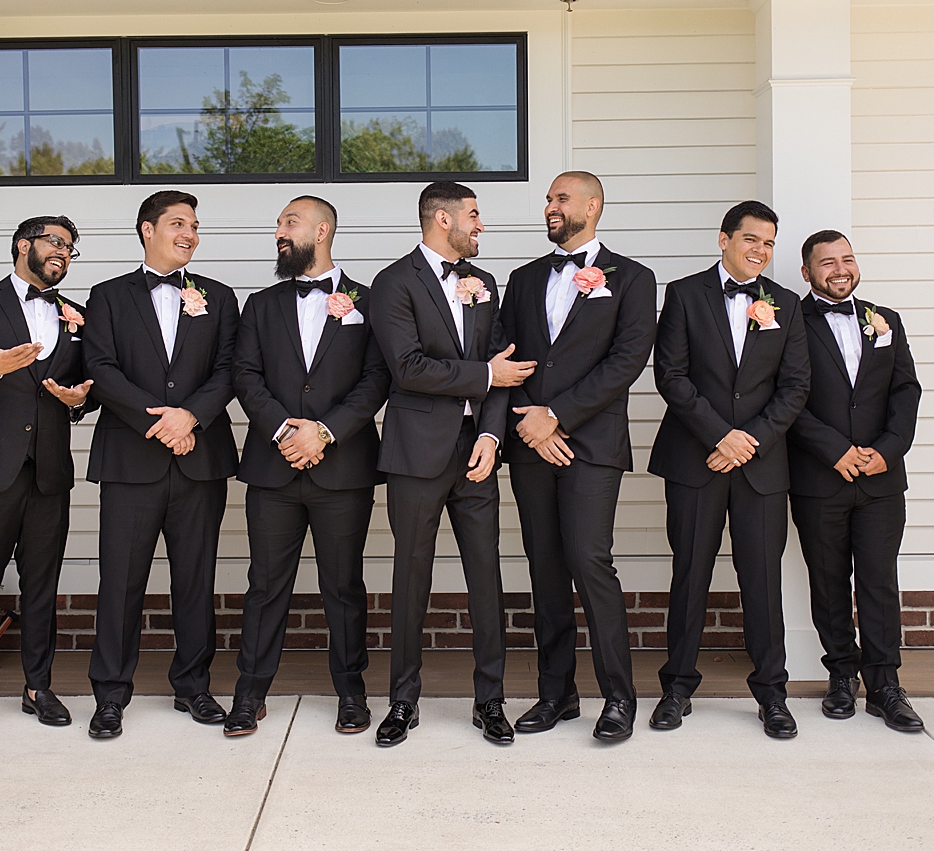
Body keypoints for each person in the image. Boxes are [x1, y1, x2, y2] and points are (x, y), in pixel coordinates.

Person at [368, 181, 535, 747]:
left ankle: (490, 699)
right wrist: (487, 377)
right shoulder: (392, 283)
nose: (481, 225)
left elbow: (503, 361)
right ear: (443, 218)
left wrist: (491, 433)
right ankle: (402, 701)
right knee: (410, 577)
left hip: (477, 453)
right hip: (416, 454)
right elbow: (409, 368)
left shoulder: (483, 283)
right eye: (474, 215)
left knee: (485, 576)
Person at [497, 171, 656, 742]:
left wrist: (556, 416)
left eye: (560, 198)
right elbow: (504, 357)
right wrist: (531, 422)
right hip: (531, 441)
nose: (550, 207)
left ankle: (619, 697)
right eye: (547, 199)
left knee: (590, 561)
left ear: (592, 205)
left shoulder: (634, 278)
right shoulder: (521, 279)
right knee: (544, 566)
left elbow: (627, 359)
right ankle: (556, 693)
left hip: (590, 442)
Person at [227, 196, 390, 737]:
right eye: (278, 223)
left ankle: (351, 692)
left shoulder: (370, 300)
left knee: (342, 585)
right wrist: (285, 431)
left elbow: (376, 381)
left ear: (322, 231)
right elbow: (245, 376)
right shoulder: (260, 304)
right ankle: (250, 693)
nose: (279, 231)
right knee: (265, 584)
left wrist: (323, 431)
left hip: (343, 469)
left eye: (288, 222)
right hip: (272, 470)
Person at [647, 200, 810, 738]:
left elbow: (795, 387)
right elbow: (670, 376)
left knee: (761, 580)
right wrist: (721, 435)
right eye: (750, 240)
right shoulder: (683, 294)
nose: (760, 251)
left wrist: (750, 440)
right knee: (689, 573)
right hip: (696, 458)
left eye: (768, 243)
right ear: (724, 240)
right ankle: (677, 688)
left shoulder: (786, 304)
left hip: (761, 466)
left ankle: (772, 694)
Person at [81, 191, 240, 740]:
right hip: (130, 460)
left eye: (195, 225)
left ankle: (194, 686)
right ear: (147, 229)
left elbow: (229, 370)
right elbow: (101, 368)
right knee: (120, 581)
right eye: (178, 224)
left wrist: (189, 417)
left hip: (200, 460)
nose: (190, 234)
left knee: (195, 579)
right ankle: (109, 695)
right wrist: (160, 422)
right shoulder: (106, 295)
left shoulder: (218, 297)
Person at [0, 216, 96, 741]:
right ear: (22, 245)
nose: (64, 254)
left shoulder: (76, 313)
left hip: (48, 472)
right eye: (56, 243)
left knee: (42, 586)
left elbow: (81, 384)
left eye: (71, 248)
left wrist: (81, 402)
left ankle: (37, 688)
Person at [787, 230, 923, 731]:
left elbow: (906, 390)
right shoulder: (788, 322)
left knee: (879, 581)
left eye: (847, 259)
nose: (839, 269)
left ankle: (885, 684)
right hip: (818, 478)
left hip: (881, 479)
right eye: (827, 262)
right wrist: (834, 451)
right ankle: (841, 675)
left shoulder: (886, 320)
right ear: (807, 273)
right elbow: (786, 398)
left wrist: (886, 451)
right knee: (827, 581)